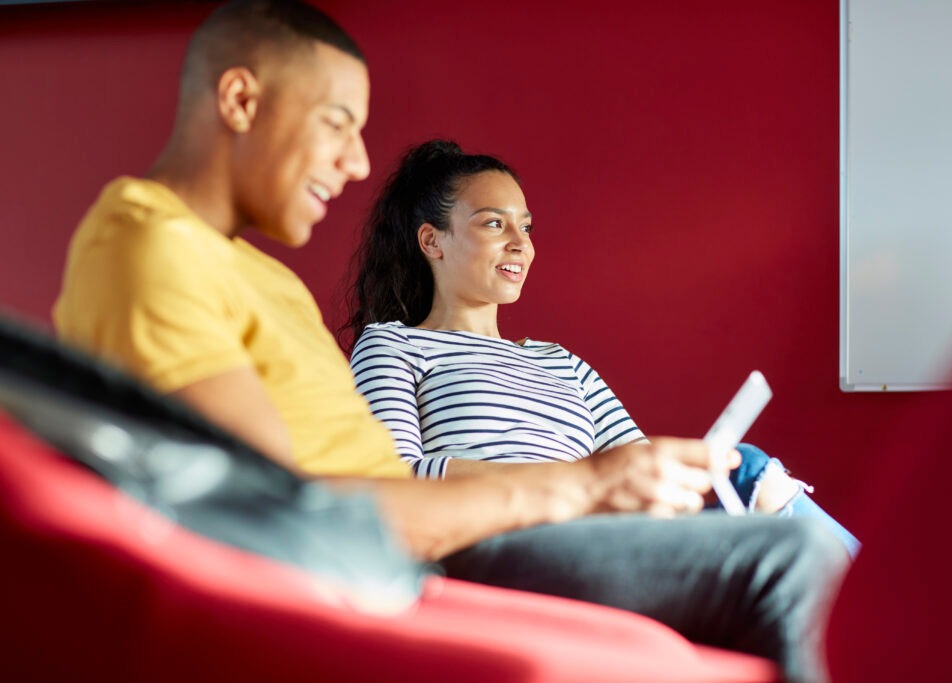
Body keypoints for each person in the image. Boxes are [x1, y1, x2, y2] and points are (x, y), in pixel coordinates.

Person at [53, 2, 847, 681]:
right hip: (421, 556)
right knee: (786, 562)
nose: (358, 162)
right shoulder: (150, 245)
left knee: (779, 524)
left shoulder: (266, 280)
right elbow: (293, 513)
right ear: (238, 98)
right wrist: (579, 485)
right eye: (337, 124)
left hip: (434, 537)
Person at [345, 139, 860, 556]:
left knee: (743, 472)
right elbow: (394, 478)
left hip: (599, 534)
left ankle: (884, 612)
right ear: (433, 242)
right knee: (752, 485)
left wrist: (687, 471)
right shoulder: (393, 345)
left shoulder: (562, 364)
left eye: (525, 226)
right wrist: (578, 483)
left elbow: (636, 467)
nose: (520, 244)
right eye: (493, 223)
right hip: (500, 538)